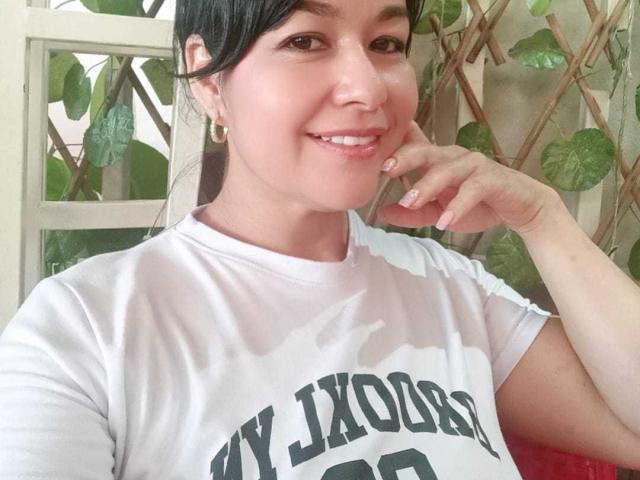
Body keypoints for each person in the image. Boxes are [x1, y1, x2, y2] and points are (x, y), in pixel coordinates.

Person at [1, 0, 639, 478]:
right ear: (209, 79)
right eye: (305, 40)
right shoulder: (85, 332)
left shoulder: (447, 287)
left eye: (386, 43)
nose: (368, 88)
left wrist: (542, 219)